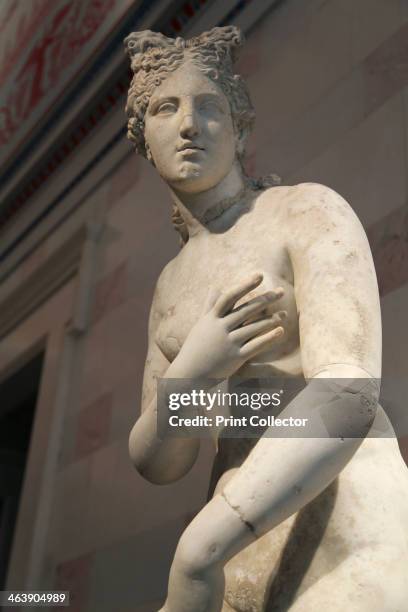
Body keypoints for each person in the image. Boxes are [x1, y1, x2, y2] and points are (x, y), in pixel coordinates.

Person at [124, 26, 408, 611]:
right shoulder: (171, 284)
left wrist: (198, 551)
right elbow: (161, 460)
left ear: (240, 126)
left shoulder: (304, 210)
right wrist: (198, 373)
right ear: (143, 138)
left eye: (209, 107)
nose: (187, 125)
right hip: (240, 534)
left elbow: (347, 392)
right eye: (165, 108)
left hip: (340, 508)